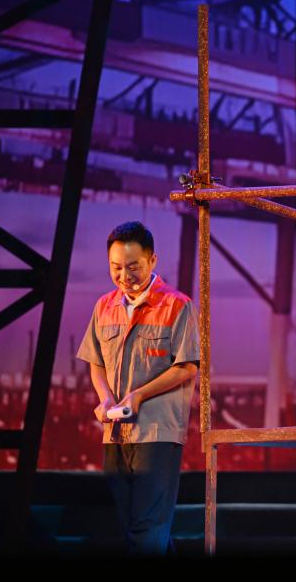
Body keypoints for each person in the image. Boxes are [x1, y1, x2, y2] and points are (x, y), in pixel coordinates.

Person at [77, 221, 198, 554]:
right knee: (132, 527)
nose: (124, 275)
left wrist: (139, 395)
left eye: (133, 266)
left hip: (156, 432)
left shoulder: (177, 305)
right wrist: (105, 398)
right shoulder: (104, 306)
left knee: (147, 528)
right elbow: (96, 361)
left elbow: (188, 366)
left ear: (152, 260)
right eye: (116, 267)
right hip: (115, 432)